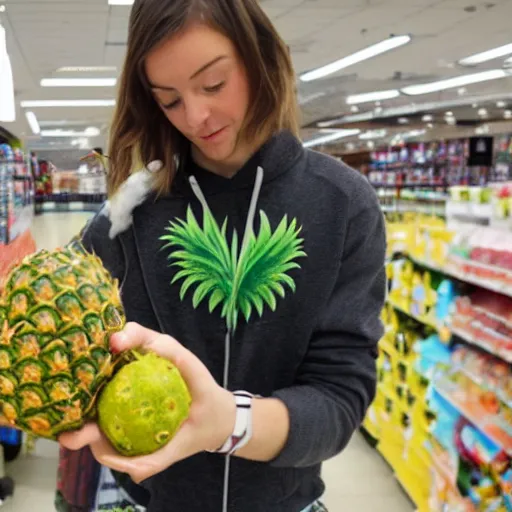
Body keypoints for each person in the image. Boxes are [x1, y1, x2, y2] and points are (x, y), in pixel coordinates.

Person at [58, 0, 387, 511]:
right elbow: (62, 325)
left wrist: (227, 423)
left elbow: (339, 400)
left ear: (261, 57)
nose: (195, 117)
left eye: (213, 84)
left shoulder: (343, 205)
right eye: (168, 100)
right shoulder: (128, 211)